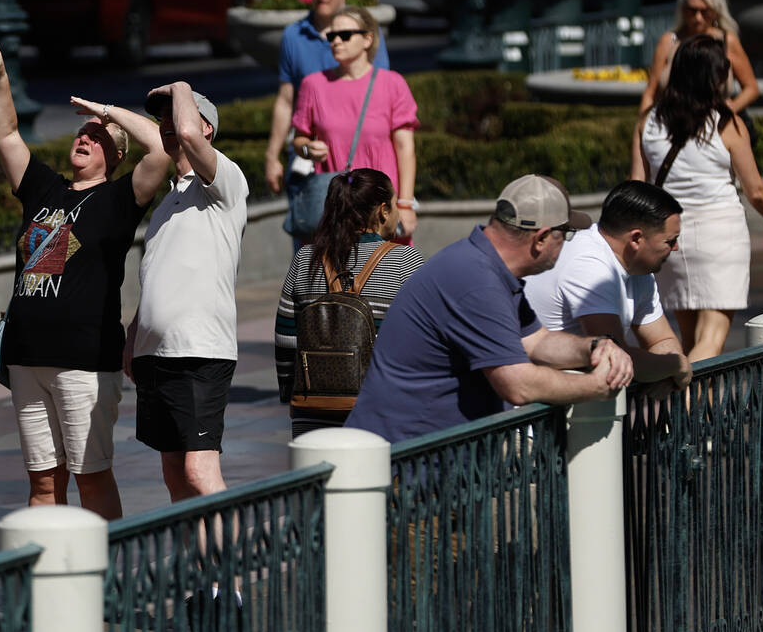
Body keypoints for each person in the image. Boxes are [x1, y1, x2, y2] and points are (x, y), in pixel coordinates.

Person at [0, 36, 171, 522]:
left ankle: (107, 584)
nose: (84, 138)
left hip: (85, 360)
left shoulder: (121, 199)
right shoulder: (45, 187)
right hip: (26, 357)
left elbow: (162, 149)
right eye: (81, 132)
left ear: (116, 155)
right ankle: (48, 584)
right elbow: (5, 134)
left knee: (91, 476)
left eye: (97, 137)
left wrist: (107, 111)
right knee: (44, 481)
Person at [344, 174, 634, 443]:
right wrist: (598, 386)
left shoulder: (484, 266)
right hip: (407, 468)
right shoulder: (476, 280)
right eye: (566, 234)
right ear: (542, 238)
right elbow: (518, 385)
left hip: (430, 460)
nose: (567, 244)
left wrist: (597, 347)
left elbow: (537, 342)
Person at [125, 83, 249, 504]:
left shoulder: (224, 183)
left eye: (175, 117)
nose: (168, 127)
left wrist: (181, 87)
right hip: (156, 355)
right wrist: (133, 337)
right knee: (175, 473)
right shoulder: (168, 204)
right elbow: (157, 275)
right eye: (162, 121)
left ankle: (233, 566)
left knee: (199, 469)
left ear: (207, 128)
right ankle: (198, 568)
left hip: (200, 351)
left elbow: (189, 136)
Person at [638, 35, 763, 361]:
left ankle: (694, 410)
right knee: (710, 342)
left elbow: (636, 186)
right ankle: (675, 404)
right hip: (719, 238)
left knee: (689, 338)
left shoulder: (649, 122)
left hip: (669, 240)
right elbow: (756, 191)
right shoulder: (725, 123)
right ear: (714, 76)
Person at [274, 167, 425, 437]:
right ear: (382, 211)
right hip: (380, 413)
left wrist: (292, 397)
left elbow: (286, 340)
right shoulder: (406, 262)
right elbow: (424, 344)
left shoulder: (305, 259)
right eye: (395, 204)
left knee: (320, 479)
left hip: (312, 413)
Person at [523, 180, 691, 393]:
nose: (676, 248)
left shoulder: (639, 268)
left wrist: (664, 371)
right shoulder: (590, 264)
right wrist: (677, 365)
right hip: (536, 408)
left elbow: (662, 339)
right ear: (637, 239)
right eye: (670, 241)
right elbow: (613, 358)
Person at [264, 0, 390, 197]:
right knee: (309, 228)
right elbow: (285, 100)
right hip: (308, 157)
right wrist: (272, 156)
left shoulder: (364, 32)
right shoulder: (294, 35)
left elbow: (379, 93)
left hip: (358, 156)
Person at [291, 5, 420, 239]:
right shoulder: (314, 85)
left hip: (382, 207)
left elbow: (405, 148)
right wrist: (308, 148)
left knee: (386, 273)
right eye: (331, 36)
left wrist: (405, 204)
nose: (336, 41)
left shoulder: (392, 84)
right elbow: (299, 139)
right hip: (337, 208)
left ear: (368, 39)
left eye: (345, 35)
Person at [633, 0, 759, 176]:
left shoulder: (727, 42)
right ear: (683, 10)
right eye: (692, 10)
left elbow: (751, 88)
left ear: (715, 11)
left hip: (717, 131)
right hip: (673, 129)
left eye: (705, 11)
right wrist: (643, 129)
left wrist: (729, 109)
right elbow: (651, 91)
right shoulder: (670, 41)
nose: (698, 18)